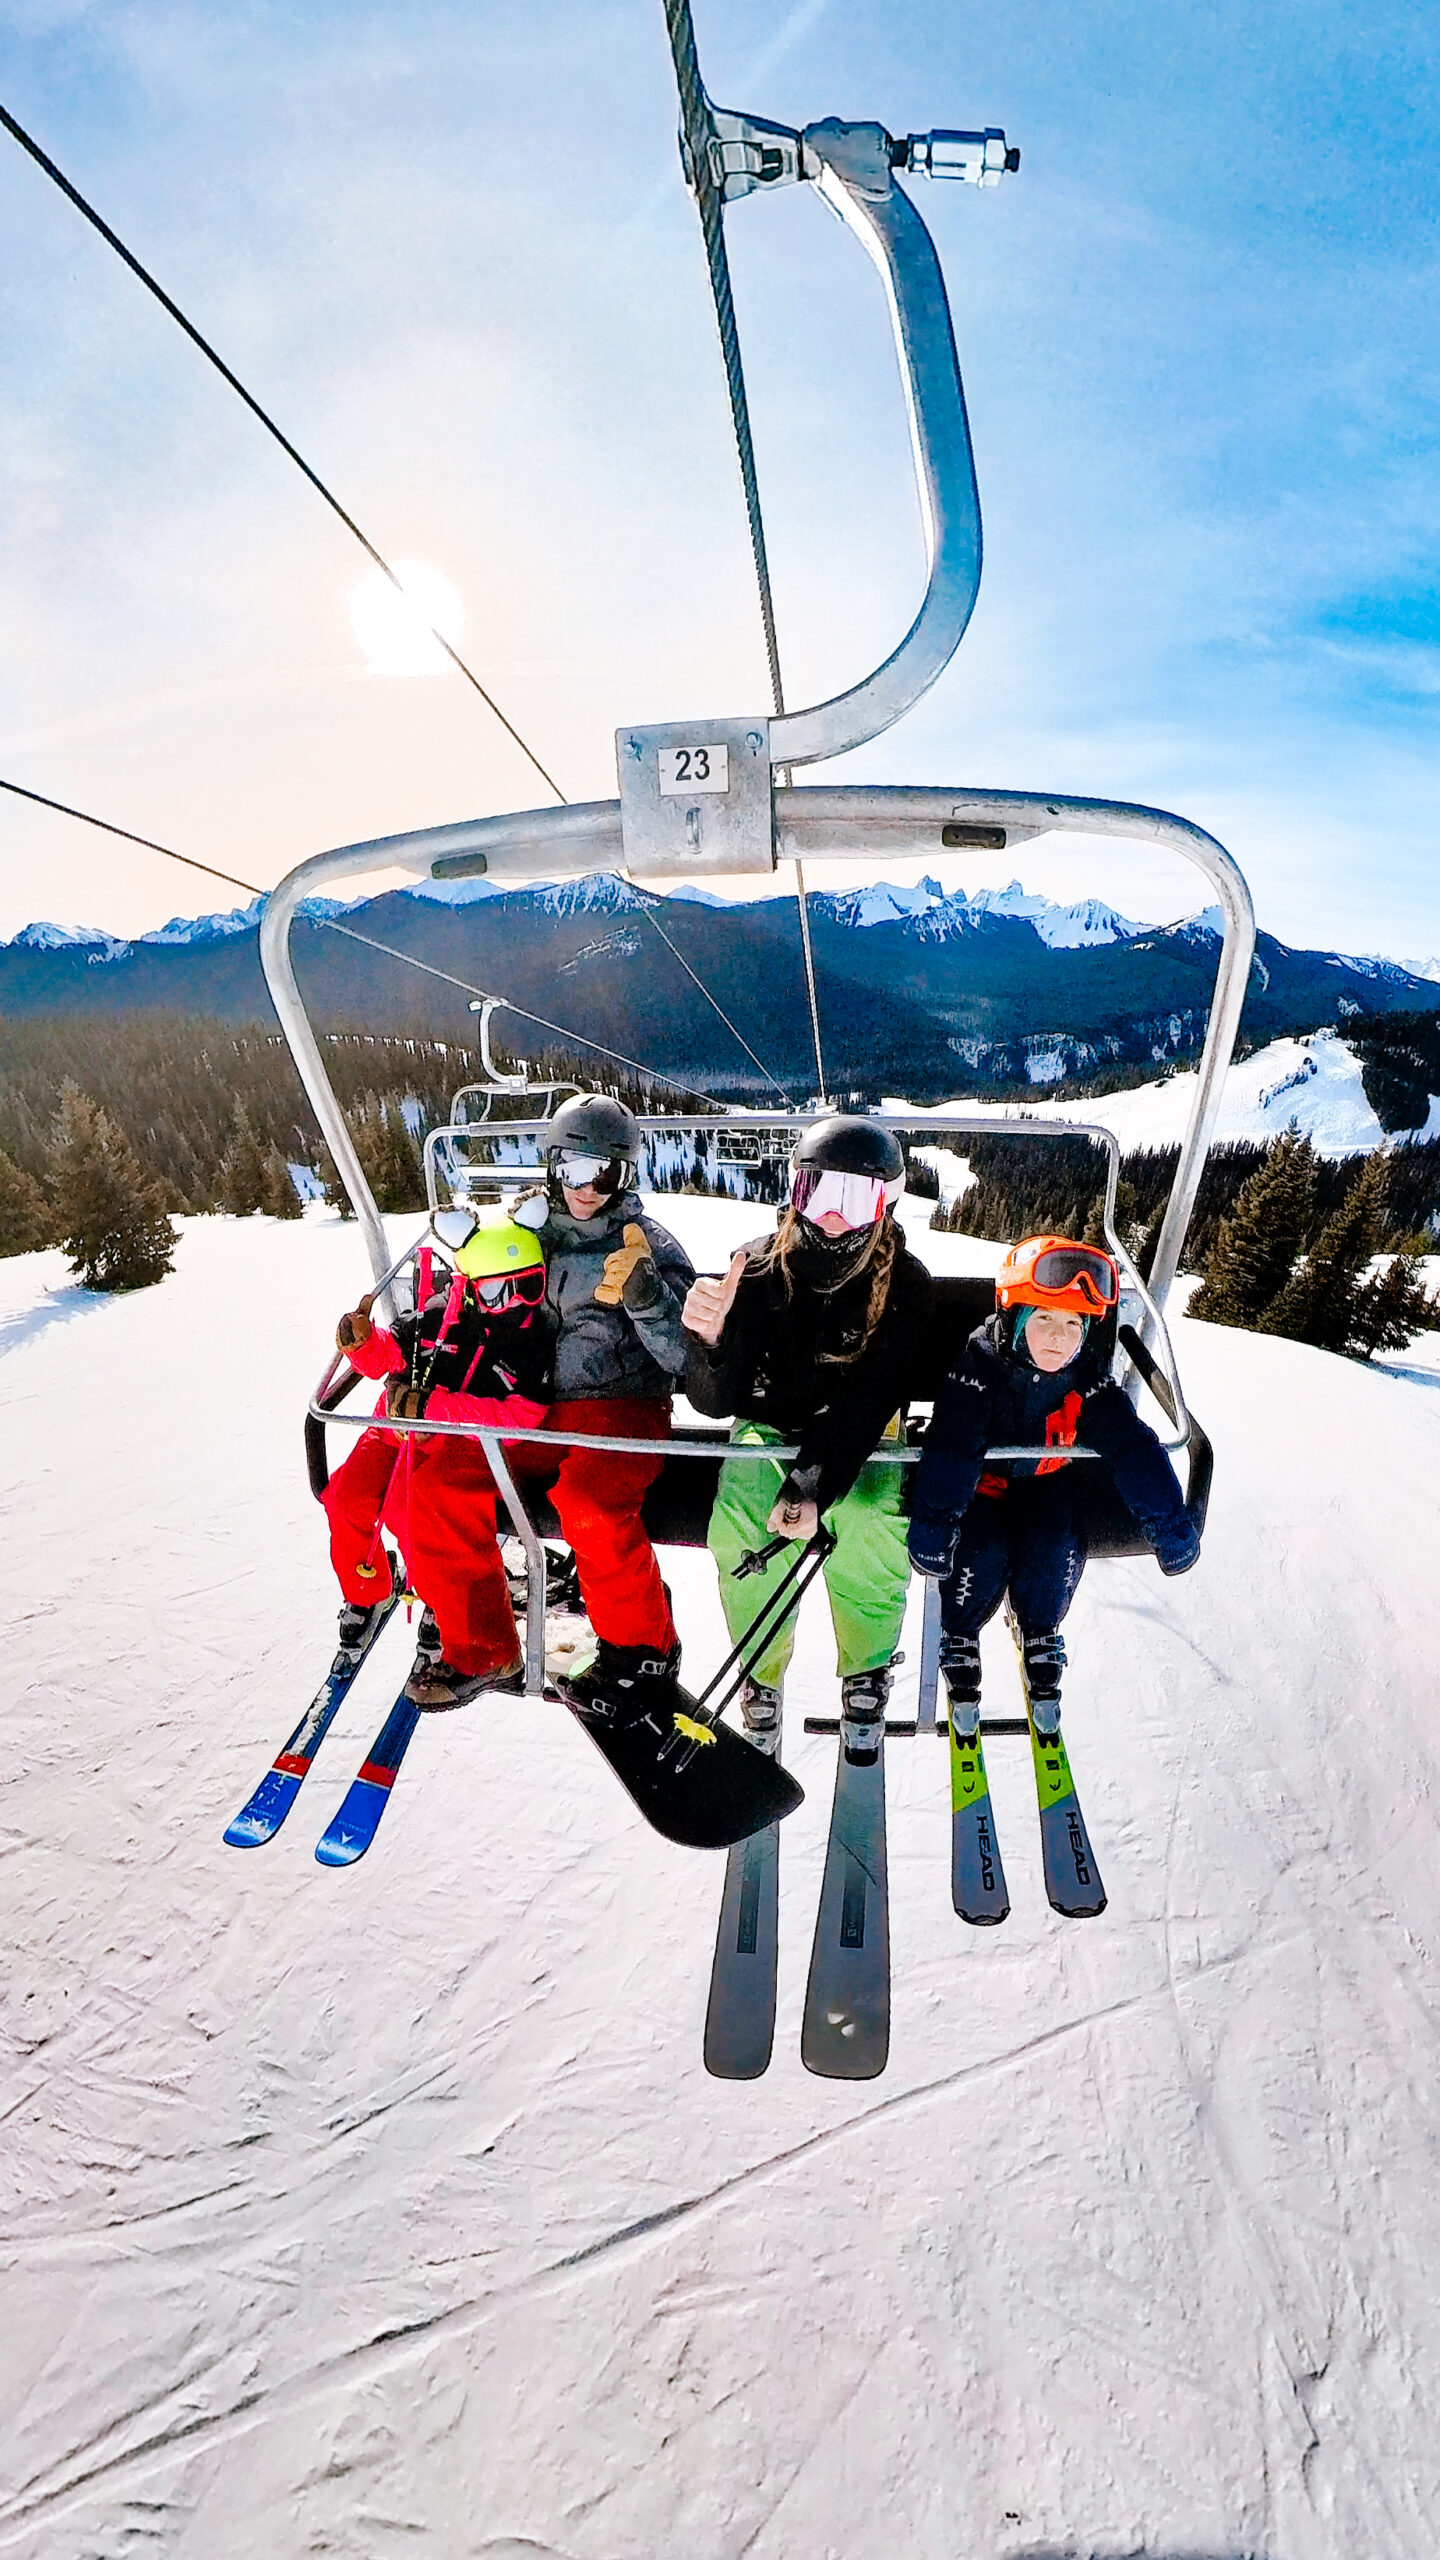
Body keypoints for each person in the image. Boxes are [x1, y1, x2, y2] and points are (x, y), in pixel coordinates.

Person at [682, 1115, 932, 1764]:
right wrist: (709, 1343)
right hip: (768, 1429)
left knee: (874, 1516)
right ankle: (760, 1676)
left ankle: (865, 1671)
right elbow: (718, 1404)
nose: (832, 1218)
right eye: (816, 1193)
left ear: (887, 1201)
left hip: (863, 1432)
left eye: (855, 1200)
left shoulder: (905, 1283)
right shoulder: (760, 1269)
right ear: (794, 1192)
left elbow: (873, 1394)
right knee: (738, 1524)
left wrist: (813, 1483)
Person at [907, 1233, 1200, 1735]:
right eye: (1043, 1319)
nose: (1058, 1338)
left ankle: (1040, 1626)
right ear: (1013, 1318)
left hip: (1046, 1483)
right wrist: (934, 1525)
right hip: (985, 1487)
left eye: (1072, 1324)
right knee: (980, 1550)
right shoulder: (979, 1370)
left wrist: (1168, 1521)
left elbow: (1133, 1447)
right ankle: (960, 1628)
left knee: (1057, 1544)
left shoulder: (1084, 1378)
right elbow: (953, 1449)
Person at [498, 1091, 698, 1718]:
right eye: (572, 1172)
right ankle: (476, 1613)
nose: (587, 1189)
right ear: (550, 1169)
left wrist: (645, 1298)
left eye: (604, 1174)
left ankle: (643, 1651)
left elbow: (687, 1360)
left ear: (624, 1175)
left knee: (587, 1506)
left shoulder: (649, 1245)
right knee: (457, 1467)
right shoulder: (523, 1234)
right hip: (536, 1406)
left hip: (623, 1406)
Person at [327, 1210, 555, 1708]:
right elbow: (391, 1355)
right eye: (497, 1293)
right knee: (347, 1499)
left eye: (529, 1287)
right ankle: (369, 1591)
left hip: (457, 1439)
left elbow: (523, 1415)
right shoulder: (440, 1318)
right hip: (399, 1429)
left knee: (419, 1509)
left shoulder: (532, 1338)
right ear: (470, 1288)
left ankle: (455, 1617)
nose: (514, 1305)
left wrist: (434, 1409)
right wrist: (363, 1346)